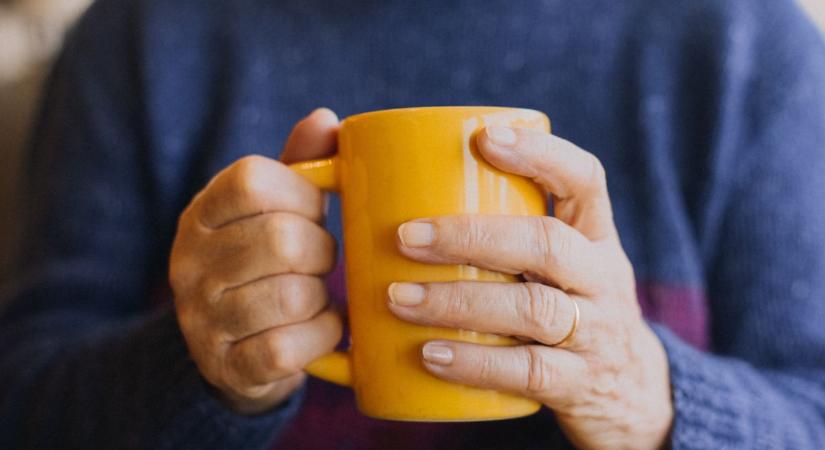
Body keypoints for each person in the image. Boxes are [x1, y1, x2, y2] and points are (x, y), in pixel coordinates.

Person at [1, 0, 824, 448]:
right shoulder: (142, 35)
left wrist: (648, 397)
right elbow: (24, 406)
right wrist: (206, 371)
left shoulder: (748, 43)